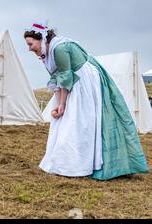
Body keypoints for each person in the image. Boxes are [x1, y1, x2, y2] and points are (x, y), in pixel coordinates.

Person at [24, 22, 149, 180]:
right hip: (73, 82)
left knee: (77, 122)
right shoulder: (48, 53)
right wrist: (58, 104)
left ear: (40, 39)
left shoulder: (59, 49)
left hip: (83, 82)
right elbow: (58, 80)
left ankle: (77, 166)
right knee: (66, 121)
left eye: (30, 44)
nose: (29, 49)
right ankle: (66, 164)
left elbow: (66, 78)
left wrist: (62, 105)